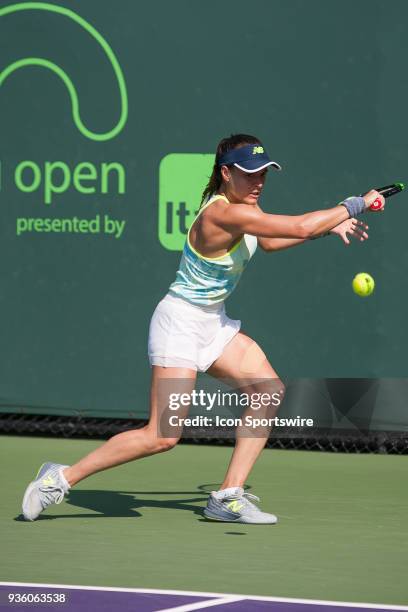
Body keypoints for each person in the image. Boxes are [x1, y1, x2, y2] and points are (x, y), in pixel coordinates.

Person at [21, 134, 384, 524]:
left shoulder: (246, 210)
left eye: (263, 172)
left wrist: (326, 228)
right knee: (162, 436)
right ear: (226, 174)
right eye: (248, 173)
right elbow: (295, 226)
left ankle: (227, 496)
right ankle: (58, 478)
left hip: (212, 323)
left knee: (268, 391)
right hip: (179, 324)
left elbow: (273, 242)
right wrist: (354, 205)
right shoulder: (222, 213)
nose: (258, 181)